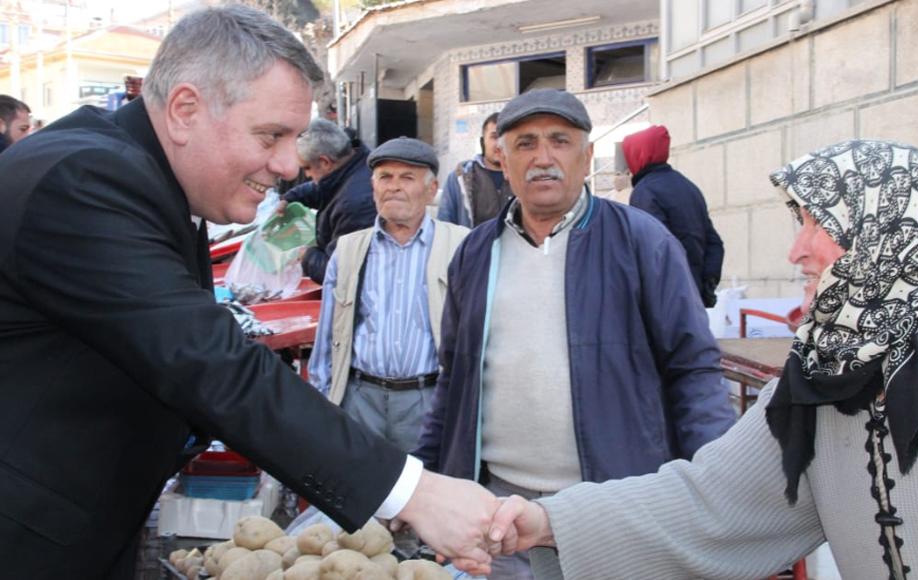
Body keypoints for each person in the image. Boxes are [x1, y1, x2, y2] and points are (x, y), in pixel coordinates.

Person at [0, 6, 497, 578]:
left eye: (295, 139)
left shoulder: (144, 176)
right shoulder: (83, 178)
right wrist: (412, 492)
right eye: (271, 136)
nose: (288, 165)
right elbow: (207, 361)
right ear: (185, 110)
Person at [486, 140, 918, 580]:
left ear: (889, 225)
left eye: (820, 223)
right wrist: (549, 522)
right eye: (799, 223)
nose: (797, 250)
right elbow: (712, 501)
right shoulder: (824, 368)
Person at [412, 89, 737, 580]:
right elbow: (453, 380)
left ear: (586, 157)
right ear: (503, 160)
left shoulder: (642, 241)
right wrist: (423, 478)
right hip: (498, 518)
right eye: (525, 143)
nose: (543, 158)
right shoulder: (475, 254)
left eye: (559, 141)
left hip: (612, 509)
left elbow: (693, 369)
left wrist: (717, 483)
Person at [308, 137, 468, 451]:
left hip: (429, 400)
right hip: (359, 400)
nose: (394, 187)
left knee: (425, 480)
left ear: (431, 189)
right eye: (385, 177)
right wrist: (323, 403)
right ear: (374, 187)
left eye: (407, 178)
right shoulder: (349, 249)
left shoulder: (460, 245)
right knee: (357, 480)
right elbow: (327, 336)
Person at [622, 124, 724, 308]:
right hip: (692, 293)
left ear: (638, 153)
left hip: (668, 297)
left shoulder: (645, 191)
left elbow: (655, 248)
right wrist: (707, 282)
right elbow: (714, 242)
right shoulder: (688, 186)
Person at [276, 118, 376, 283]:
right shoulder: (356, 162)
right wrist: (290, 197)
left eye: (307, 168)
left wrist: (306, 255)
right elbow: (326, 187)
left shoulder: (355, 206)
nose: (307, 175)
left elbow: (340, 274)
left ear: (325, 162)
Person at [437, 112, 513, 228]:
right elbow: (445, 225)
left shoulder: (522, 177)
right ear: (483, 140)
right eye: (494, 137)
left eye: (504, 138)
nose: (499, 144)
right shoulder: (459, 179)